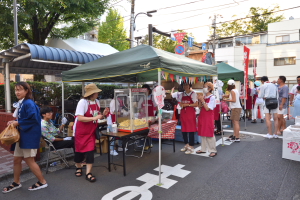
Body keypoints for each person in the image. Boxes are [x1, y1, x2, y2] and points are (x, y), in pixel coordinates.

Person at [3, 82, 47, 193]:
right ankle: (16, 182)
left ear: (26, 91)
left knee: (29, 160)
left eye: (20, 90)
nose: (17, 92)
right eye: (16, 90)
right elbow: (26, 118)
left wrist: (18, 123)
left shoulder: (28, 103)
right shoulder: (23, 103)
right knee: (16, 159)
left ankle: (42, 182)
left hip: (29, 136)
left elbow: (34, 119)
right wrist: (15, 121)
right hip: (23, 136)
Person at [73, 83, 103, 182]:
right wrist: (94, 118)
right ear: (92, 93)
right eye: (96, 92)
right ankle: (78, 167)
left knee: (90, 152)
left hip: (91, 130)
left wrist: (103, 114)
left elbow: (97, 114)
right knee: (79, 153)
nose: (98, 94)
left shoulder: (97, 102)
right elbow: (80, 117)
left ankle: (88, 173)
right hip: (81, 131)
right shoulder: (83, 102)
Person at [196, 82, 217, 157]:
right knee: (202, 133)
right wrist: (199, 100)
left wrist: (203, 101)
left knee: (209, 133)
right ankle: (203, 149)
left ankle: (212, 150)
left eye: (205, 86)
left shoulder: (212, 97)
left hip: (208, 117)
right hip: (202, 116)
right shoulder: (204, 96)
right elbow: (199, 107)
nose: (203, 88)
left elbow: (208, 108)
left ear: (209, 88)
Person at [179, 82, 198, 154]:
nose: (185, 86)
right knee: (184, 129)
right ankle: (186, 144)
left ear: (190, 85)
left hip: (190, 113)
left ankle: (191, 146)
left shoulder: (193, 94)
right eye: (184, 85)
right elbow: (180, 103)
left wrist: (187, 104)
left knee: (191, 130)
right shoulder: (182, 94)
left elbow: (196, 104)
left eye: (187, 85)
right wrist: (181, 105)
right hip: (183, 113)